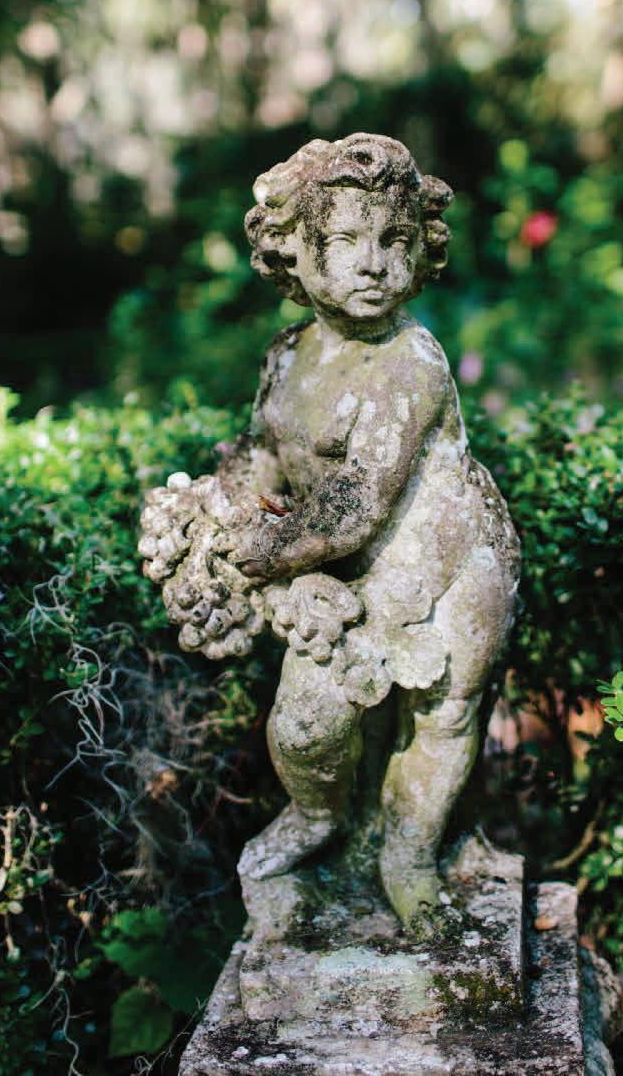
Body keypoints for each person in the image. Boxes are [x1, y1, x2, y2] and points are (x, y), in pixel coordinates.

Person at [215, 134, 520, 930]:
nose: (373, 263)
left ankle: (408, 855)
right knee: (306, 722)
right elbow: (258, 457)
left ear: (419, 250)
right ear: (293, 248)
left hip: (444, 564)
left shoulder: (410, 359)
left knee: (441, 715)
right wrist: (225, 506)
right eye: (347, 239)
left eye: (394, 239)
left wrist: (252, 552)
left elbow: (355, 503)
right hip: (341, 567)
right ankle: (318, 814)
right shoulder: (287, 357)